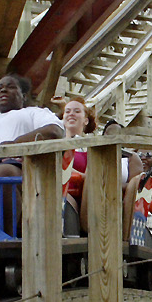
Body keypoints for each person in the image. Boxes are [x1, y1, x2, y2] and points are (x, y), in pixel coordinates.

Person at [0, 74, 65, 230]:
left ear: (24, 96)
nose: (3, 90)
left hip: (18, 168)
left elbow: (55, 131)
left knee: (0, 174)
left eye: (10, 87)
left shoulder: (34, 112)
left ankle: (6, 237)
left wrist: (14, 145)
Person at [59, 97, 95, 234]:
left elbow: (93, 174)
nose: (71, 114)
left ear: (85, 120)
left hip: (83, 196)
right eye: (67, 111)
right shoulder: (54, 144)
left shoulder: (91, 148)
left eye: (76, 111)